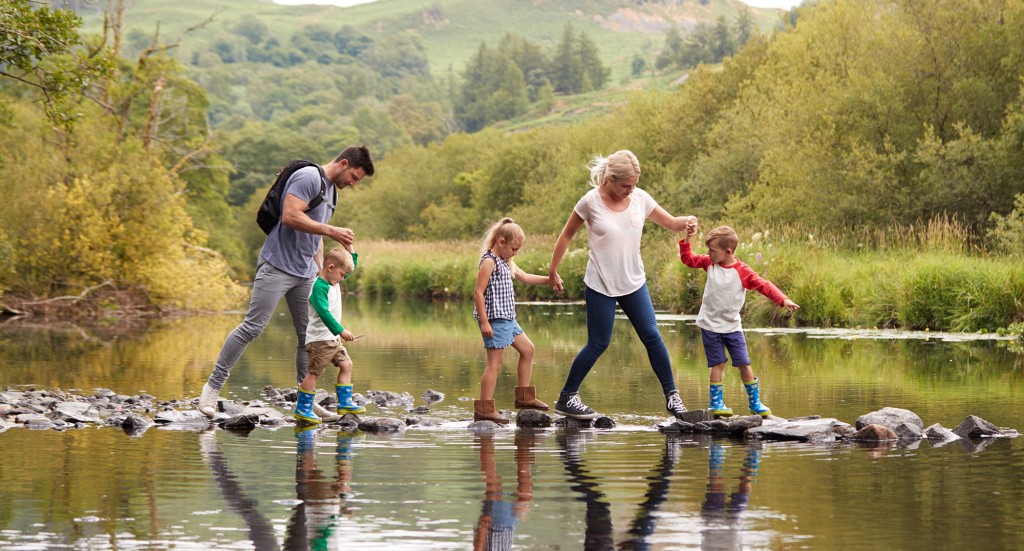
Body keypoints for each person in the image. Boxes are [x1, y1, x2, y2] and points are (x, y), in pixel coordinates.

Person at [198, 145, 374, 420]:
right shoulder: (309, 177)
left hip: (305, 273)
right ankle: (211, 389)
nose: (352, 183)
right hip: (277, 265)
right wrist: (331, 229)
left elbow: (314, 236)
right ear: (343, 163)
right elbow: (290, 216)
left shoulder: (331, 194)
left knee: (309, 337)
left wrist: (318, 269)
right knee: (252, 327)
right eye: (354, 177)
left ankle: (305, 402)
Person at [547, 150, 696, 420]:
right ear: (610, 179)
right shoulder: (590, 201)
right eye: (626, 185)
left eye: (634, 184)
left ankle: (673, 398)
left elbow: (671, 222)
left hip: (633, 281)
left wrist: (687, 222)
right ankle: (567, 397)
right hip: (600, 283)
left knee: (652, 337)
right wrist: (553, 270)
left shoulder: (640, 198)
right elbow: (566, 235)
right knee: (598, 343)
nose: (631, 190)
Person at [679, 224, 799, 417]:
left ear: (727, 252)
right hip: (710, 326)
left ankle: (755, 403)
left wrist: (783, 299)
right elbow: (688, 259)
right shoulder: (709, 263)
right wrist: (687, 239)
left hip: (733, 327)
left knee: (744, 363)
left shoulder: (742, 271)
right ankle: (716, 403)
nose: (708, 253)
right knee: (717, 364)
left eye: (712, 250)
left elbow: (763, 285)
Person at [472, 218, 550, 424]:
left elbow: (525, 276)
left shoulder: (506, 261)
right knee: (494, 364)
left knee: (528, 349)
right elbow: (478, 293)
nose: (516, 252)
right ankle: (484, 408)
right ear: (501, 242)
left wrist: (549, 279)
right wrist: (484, 322)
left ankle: (525, 398)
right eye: (514, 248)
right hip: (495, 320)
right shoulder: (489, 261)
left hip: (508, 319)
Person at [294, 244, 365, 424]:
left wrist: (349, 247)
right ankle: (303, 409)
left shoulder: (335, 279)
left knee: (346, 364)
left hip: (332, 339)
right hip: (319, 340)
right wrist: (340, 330)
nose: (343, 278)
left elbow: (350, 265)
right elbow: (324, 313)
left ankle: (345, 403)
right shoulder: (319, 287)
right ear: (330, 268)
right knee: (314, 373)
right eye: (342, 275)